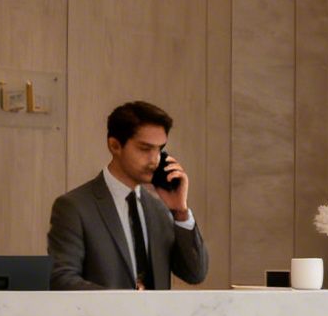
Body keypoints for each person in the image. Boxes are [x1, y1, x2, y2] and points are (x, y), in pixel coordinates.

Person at [47, 101, 208, 291]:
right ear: (115, 146)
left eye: (160, 149)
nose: (155, 160)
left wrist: (180, 212)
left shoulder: (160, 209)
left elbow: (195, 273)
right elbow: (62, 279)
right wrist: (125, 302)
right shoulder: (74, 207)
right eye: (145, 149)